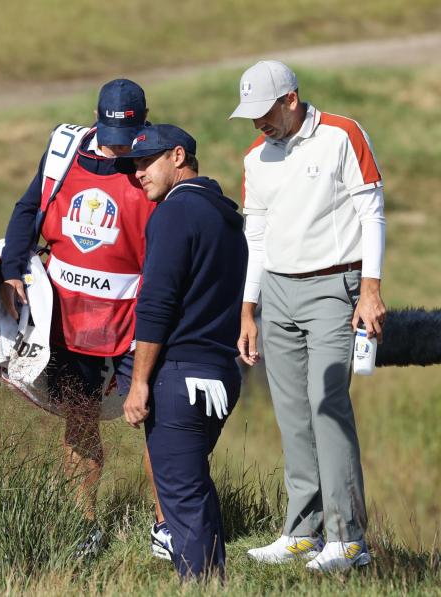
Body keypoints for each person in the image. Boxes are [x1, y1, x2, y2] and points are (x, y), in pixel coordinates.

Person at [0, 79, 167, 557]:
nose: (117, 147)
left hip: (137, 318)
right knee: (79, 418)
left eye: (126, 137)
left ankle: (166, 527)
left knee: (157, 421)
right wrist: (12, 271)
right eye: (110, 134)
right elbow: (28, 209)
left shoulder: (156, 159)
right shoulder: (65, 150)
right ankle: (84, 525)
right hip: (68, 319)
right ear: (97, 119)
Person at [230, 60, 384, 572]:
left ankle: (349, 539)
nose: (258, 124)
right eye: (251, 116)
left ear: (290, 99)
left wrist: (370, 289)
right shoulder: (256, 157)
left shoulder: (343, 135)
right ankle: (301, 532)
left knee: (328, 407)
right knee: (293, 415)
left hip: (332, 290)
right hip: (276, 293)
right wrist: (248, 308)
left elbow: (371, 212)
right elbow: (255, 238)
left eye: (265, 112)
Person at [122, 124, 248, 579]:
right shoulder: (226, 215)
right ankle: (215, 582)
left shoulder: (173, 214)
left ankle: (200, 584)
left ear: (179, 156)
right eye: (133, 165)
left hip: (180, 377)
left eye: (146, 161)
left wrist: (138, 383)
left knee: (182, 498)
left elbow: (156, 304)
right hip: (221, 375)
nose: (138, 173)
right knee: (196, 489)